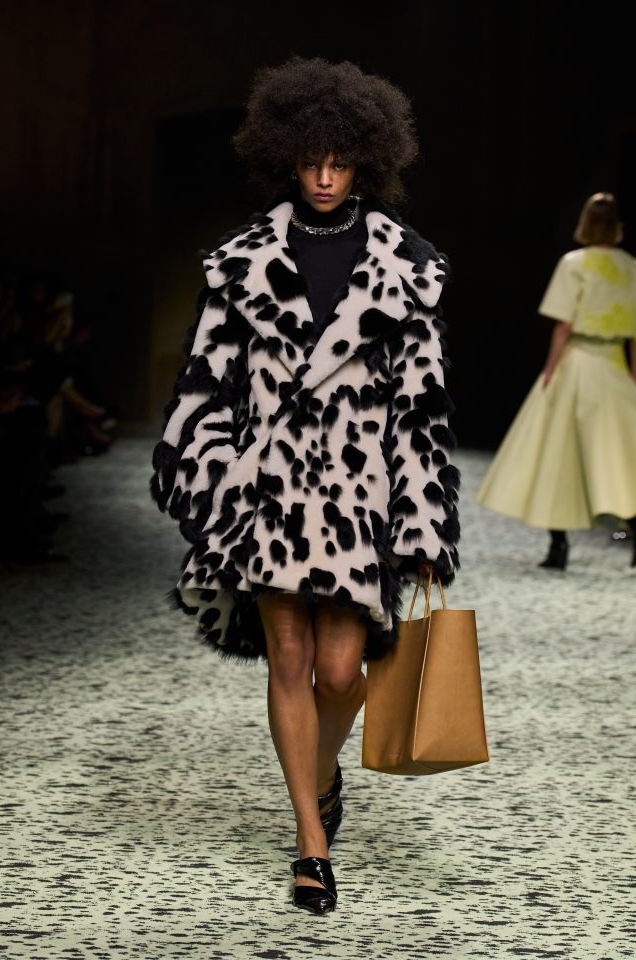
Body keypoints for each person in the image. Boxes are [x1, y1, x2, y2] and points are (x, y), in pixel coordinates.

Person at [150, 55, 460, 915]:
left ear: (367, 161)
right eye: (311, 161)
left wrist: (423, 519)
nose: (324, 177)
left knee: (340, 671)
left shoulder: (405, 266)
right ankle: (311, 842)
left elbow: (422, 406)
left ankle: (320, 774)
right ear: (285, 158)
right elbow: (204, 384)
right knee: (288, 658)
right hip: (271, 493)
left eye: (341, 161)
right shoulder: (242, 263)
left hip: (361, 499)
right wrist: (213, 477)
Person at [475, 192, 636, 568]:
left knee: (559, 456)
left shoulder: (574, 263)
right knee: (620, 459)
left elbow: (563, 324)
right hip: (614, 366)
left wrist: (550, 370)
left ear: (585, 223)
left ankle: (558, 546)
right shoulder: (631, 266)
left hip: (577, 363)